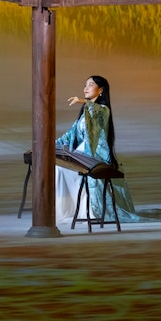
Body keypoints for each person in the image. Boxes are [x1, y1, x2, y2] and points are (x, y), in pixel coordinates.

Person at [53, 75, 143, 224]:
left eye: (90, 85)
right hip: (81, 154)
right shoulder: (84, 113)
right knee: (58, 169)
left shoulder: (103, 110)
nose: (86, 88)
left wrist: (82, 101)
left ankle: (86, 210)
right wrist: (49, 144)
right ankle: (64, 210)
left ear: (100, 90)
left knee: (68, 171)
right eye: (85, 85)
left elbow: (95, 110)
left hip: (95, 156)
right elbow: (69, 135)